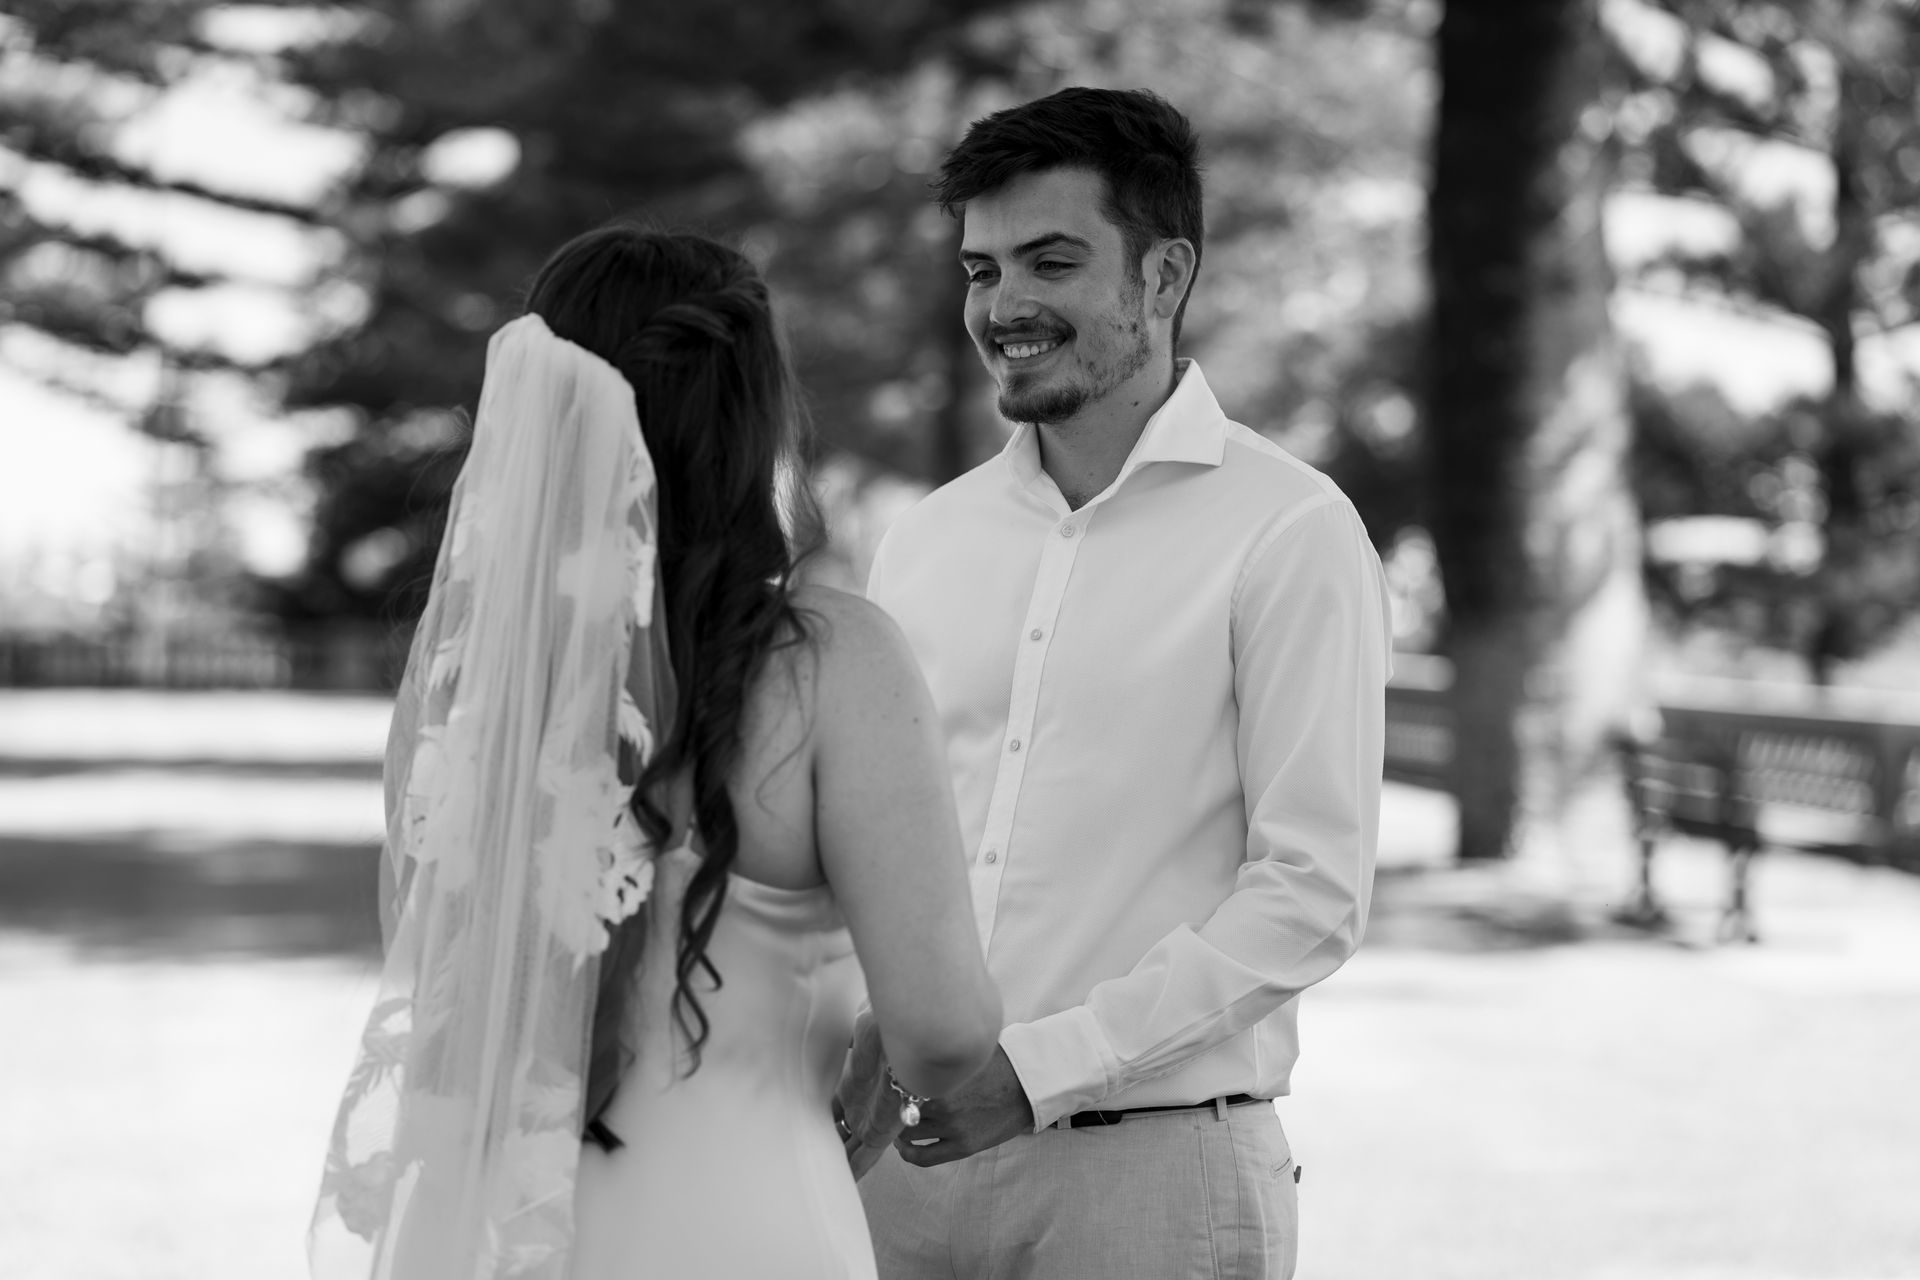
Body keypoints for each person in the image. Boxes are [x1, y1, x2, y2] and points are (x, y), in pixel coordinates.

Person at [309, 226, 1002, 1280]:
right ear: (747, 416)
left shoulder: (473, 672)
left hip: (484, 1224)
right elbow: (944, 1028)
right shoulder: (829, 662)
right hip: (739, 1216)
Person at [838, 87, 1393, 1279]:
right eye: (983, 270)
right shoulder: (925, 540)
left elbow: (1310, 890)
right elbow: (891, 842)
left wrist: (1042, 1068)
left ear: (1162, 276)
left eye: (1051, 261)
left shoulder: (1290, 529)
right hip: (901, 1172)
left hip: (1149, 1178)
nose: (1005, 306)